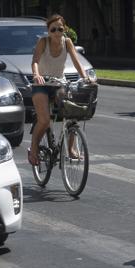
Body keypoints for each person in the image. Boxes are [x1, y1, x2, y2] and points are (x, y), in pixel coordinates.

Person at [28, 14, 88, 166]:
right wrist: (36, 75)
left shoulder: (67, 42)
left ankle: (71, 148)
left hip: (58, 83)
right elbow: (35, 61)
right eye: (53, 29)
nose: (56, 32)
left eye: (60, 29)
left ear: (64, 29)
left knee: (72, 112)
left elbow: (77, 63)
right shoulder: (43, 42)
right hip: (41, 85)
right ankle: (34, 147)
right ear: (48, 31)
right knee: (44, 120)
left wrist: (86, 78)